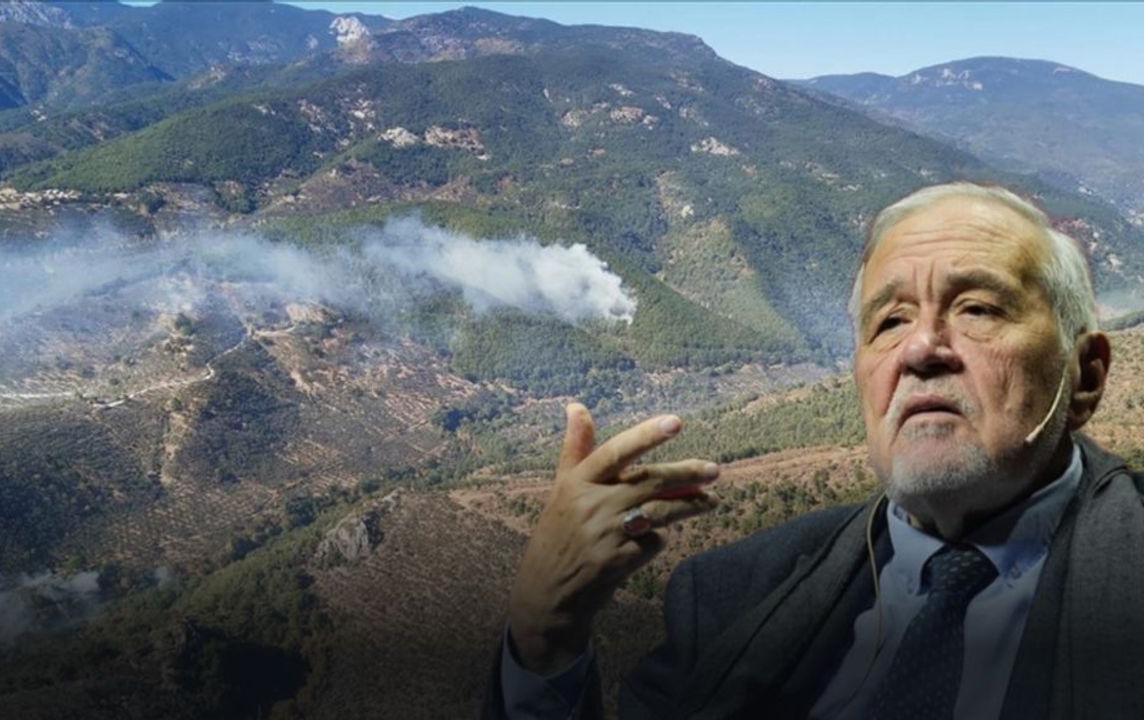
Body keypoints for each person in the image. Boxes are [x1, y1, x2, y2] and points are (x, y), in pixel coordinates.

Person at [487, 181, 1144, 720]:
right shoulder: (728, 598)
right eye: (890, 321)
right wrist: (545, 641)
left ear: (1085, 376)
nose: (921, 349)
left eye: (978, 309)